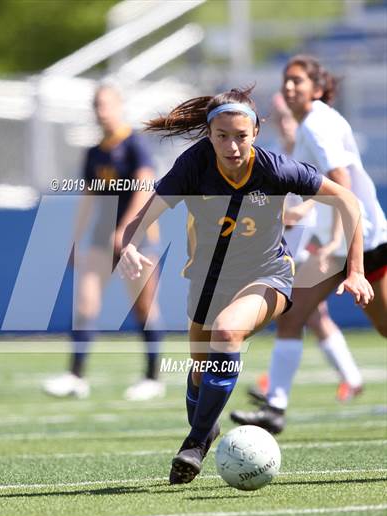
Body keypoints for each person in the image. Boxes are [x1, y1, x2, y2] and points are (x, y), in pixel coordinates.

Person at [118, 86, 373, 485]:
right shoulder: (193, 165)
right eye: (222, 136)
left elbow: (348, 201)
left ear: (255, 131)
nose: (232, 146)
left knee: (227, 331)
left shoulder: (275, 168)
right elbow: (144, 214)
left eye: (241, 135)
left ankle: (196, 441)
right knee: (200, 376)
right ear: (209, 134)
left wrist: (354, 270)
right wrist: (129, 245)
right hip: (206, 280)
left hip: (267, 275)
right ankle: (205, 428)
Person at [230, 55, 386, 434]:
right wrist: (302, 212)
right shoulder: (310, 124)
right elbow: (322, 188)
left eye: (297, 80)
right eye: (285, 79)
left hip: (362, 241)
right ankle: (275, 408)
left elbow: (341, 184)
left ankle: (276, 406)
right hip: (344, 244)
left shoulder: (316, 124)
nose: (288, 86)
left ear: (317, 88)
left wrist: (340, 247)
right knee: (293, 313)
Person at [43, 83, 165, 401]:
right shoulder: (94, 153)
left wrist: (126, 228)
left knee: (144, 307)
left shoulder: (135, 145)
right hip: (100, 236)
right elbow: (89, 198)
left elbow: (145, 187)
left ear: (119, 105)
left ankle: (153, 377)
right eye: (97, 105)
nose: (101, 111)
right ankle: (76, 376)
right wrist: (74, 238)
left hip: (138, 237)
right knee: (85, 304)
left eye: (106, 104)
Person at [251, 92, 365, 403]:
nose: (285, 125)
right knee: (309, 313)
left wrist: (301, 212)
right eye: (279, 118)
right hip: (289, 243)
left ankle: (275, 388)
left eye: (288, 117)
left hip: (315, 241)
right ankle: (347, 378)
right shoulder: (271, 155)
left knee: (301, 312)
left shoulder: (309, 148)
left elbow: (333, 191)